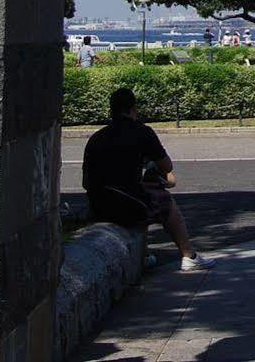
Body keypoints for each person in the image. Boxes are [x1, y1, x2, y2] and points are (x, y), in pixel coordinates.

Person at [81, 87, 203, 272]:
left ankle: (144, 255)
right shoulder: (142, 132)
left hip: (98, 204)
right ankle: (189, 255)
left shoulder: (96, 138)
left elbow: (86, 182)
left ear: (111, 110)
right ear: (133, 108)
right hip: (126, 203)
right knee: (163, 200)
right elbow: (167, 167)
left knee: (141, 194)